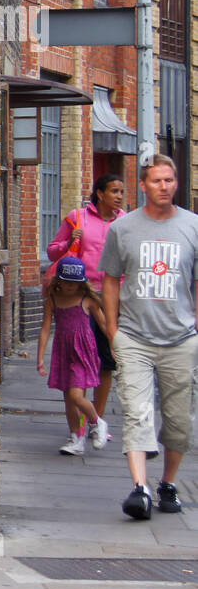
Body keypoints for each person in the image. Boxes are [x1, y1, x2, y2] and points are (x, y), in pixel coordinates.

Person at [99, 155, 198, 520]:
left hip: (180, 338)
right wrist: (113, 329)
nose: (164, 187)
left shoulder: (193, 226)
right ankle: (139, 489)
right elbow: (110, 278)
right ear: (143, 186)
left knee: (179, 420)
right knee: (137, 413)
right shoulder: (123, 229)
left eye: (169, 180)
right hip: (135, 338)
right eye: (156, 181)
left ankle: (167, 483)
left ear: (175, 183)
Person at [47, 173, 127, 435]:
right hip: (81, 297)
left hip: (111, 298)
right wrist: (69, 242)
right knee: (77, 360)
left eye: (121, 192)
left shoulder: (125, 222)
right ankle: (77, 425)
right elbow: (52, 251)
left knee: (106, 360)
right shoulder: (78, 217)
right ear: (100, 193)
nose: (119, 197)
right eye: (114, 191)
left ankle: (97, 421)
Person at [35, 256, 109, 455]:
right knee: (69, 399)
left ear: (82, 282)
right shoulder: (52, 300)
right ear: (58, 280)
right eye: (66, 281)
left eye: (74, 283)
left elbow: (103, 324)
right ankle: (76, 438)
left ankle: (97, 422)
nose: (69, 287)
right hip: (63, 352)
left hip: (83, 352)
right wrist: (40, 358)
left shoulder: (88, 300)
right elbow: (45, 329)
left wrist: (115, 347)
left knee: (76, 396)